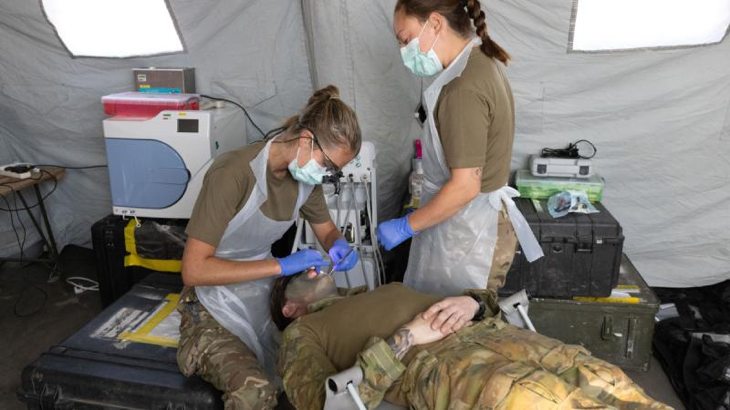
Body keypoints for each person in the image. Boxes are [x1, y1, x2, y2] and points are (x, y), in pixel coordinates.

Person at [176, 85, 362, 409]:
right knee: (254, 393)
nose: (327, 175)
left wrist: (338, 246)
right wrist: (280, 266)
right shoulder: (233, 173)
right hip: (208, 299)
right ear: (306, 140)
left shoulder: (307, 182)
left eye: (334, 171)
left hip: (259, 289)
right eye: (328, 165)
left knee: (311, 365)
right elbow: (193, 270)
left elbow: (328, 230)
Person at [272, 270, 671, 410]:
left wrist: (470, 302)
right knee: (550, 400)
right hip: (440, 368)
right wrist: (406, 339)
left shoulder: (370, 292)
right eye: (298, 277)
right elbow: (321, 403)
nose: (310, 267)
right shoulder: (301, 334)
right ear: (290, 309)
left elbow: (484, 303)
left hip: (489, 332)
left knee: (601, 376)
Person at [376, 0, 543, 297]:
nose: (404, 50)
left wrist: (405, 226)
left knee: (452, 328)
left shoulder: (462, 88)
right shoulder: (481, 63)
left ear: (436, 23)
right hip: (474, 222)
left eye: (406, 39)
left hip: (471, 233)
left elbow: (465, 186)